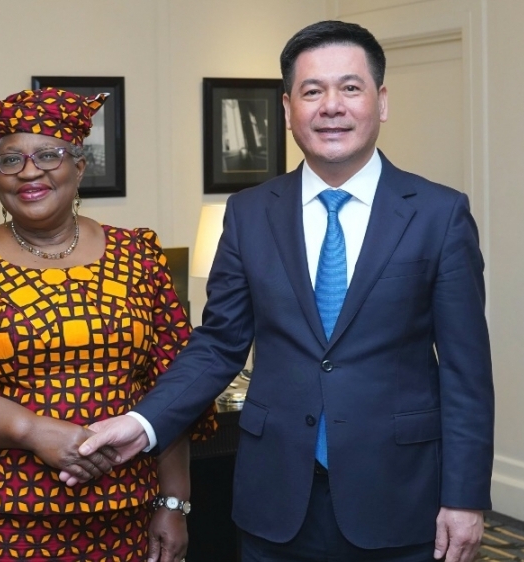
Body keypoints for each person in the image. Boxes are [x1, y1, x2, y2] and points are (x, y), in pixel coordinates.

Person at [74, 20, 494, 562]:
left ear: (382, 101)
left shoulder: (439, 214)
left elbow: (465, 370)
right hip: (276, 499)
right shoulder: (249, 214)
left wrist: (465, 497)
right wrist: (142, 422)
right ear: (288, 109)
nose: (331, 107)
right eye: (312, 91)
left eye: (350, 87)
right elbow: (219, 343)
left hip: (400, 496)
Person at [0, 87, 214, 562]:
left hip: (127, 515)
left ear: (80, 165)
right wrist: (29, 429)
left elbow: (175, 386)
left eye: (48, 155)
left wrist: (173, 502)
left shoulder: (138, 256)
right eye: (10, 160)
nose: (29, 171)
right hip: (0, 522)